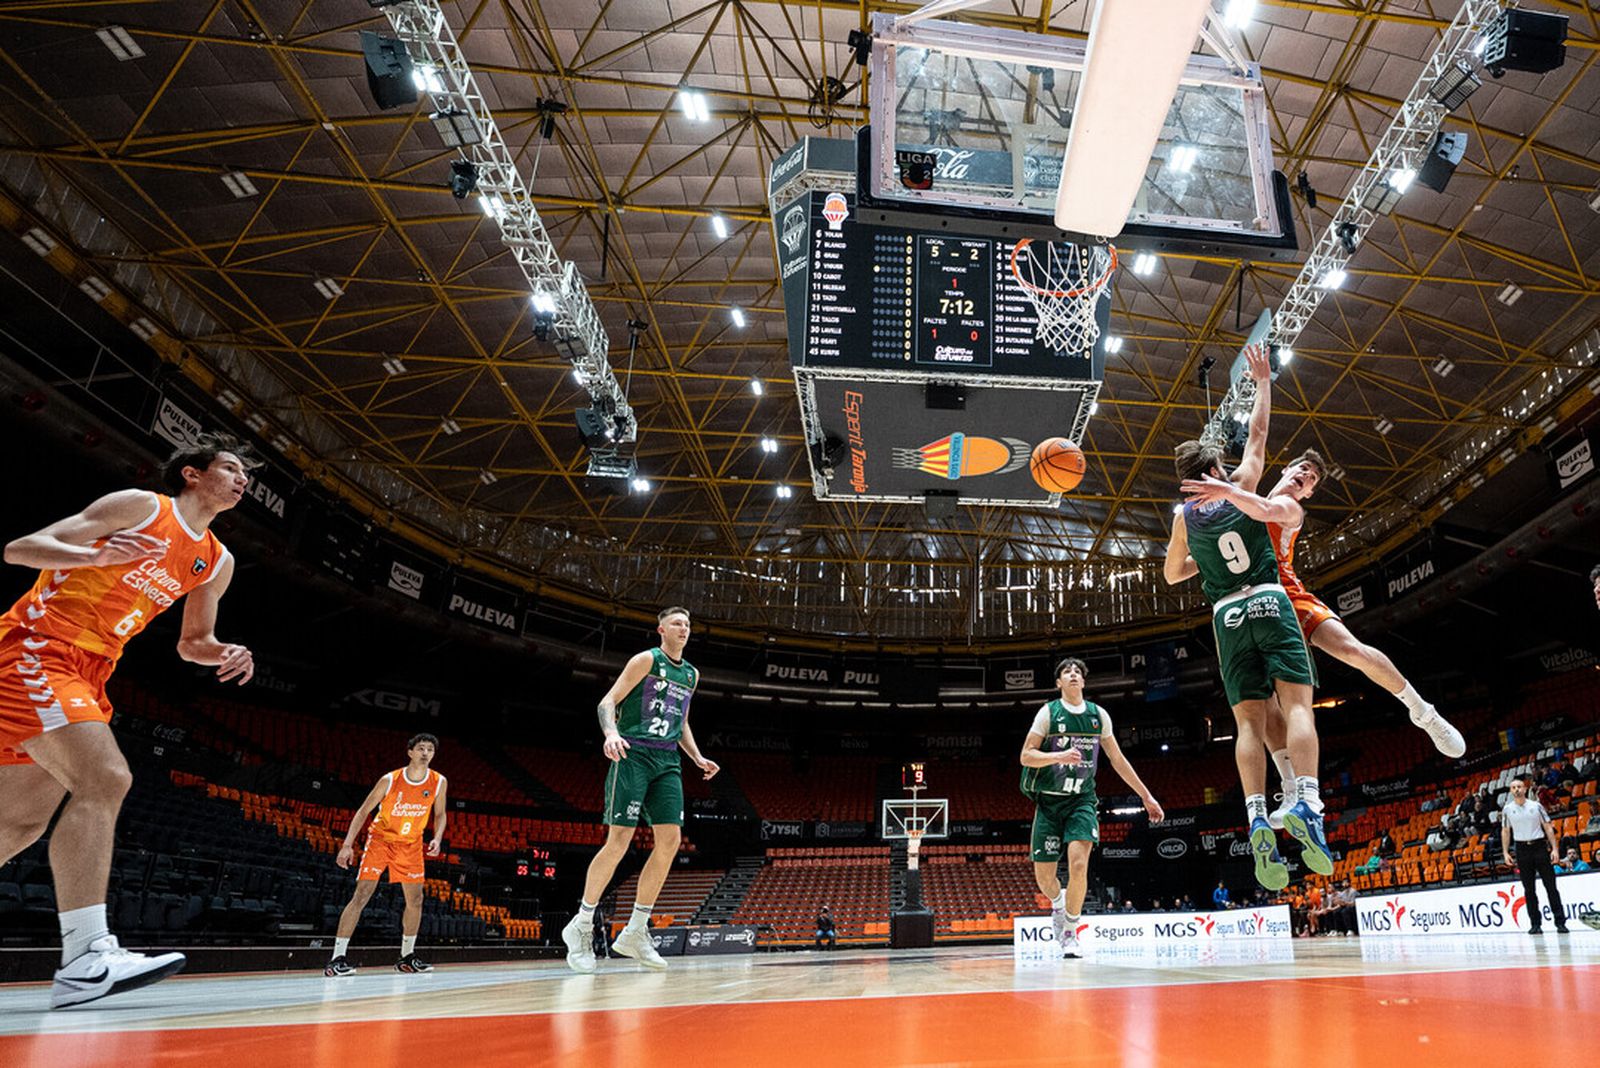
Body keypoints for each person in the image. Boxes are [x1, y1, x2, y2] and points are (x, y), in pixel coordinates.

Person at [0, 434, 254, 1008]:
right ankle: (87, 957)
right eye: (233, 468)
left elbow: (194, 643)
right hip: (39, 648)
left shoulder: (216, 560)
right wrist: (92, 556)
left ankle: (86, 960)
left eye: (247, 477)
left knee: (18, 825)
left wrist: (228, 652)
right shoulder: (142, 507)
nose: (243, 481)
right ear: (192, 474)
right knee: (106, 777)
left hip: (91, 672)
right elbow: (22, 548)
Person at [1163, 343, 1329, 891]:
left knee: (1249, 724)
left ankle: (1258, 813)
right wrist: (1263, 382)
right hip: (1267, 598)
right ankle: (1305, 800)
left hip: (1226, 614)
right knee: (1298, 703)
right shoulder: (1242, 484)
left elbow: (1172, 575)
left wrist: (1206, 561)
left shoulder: (1184, 517)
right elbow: (1256, 436)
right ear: (1213, 467)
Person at [562, 606, 719, 973]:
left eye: (688, 624)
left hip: (668, 761)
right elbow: (607, 702)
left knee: (670, 841)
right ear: (661, 629)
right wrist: (611, 733)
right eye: (677, 623)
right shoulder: (645, 660)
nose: (684, 628)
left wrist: (696, 757)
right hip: (632, 753)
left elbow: (681, 720)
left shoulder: (691, 674)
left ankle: (635, 931)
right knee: (619, 841)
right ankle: (582, 924)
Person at [1019, 657, 1163, 959]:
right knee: (1045, 880)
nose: (1073, 675)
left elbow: (1118, 761)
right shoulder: (1048, 713)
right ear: (1059, 683)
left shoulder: (1099, 716)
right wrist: (1056, 757)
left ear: (1083, 682)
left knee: (1079, 864)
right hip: (1048, 802)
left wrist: (1146, 796)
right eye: (1066, 672)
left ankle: (1071, 932)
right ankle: (1058, 905)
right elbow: (1026, 756)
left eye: (1077, 672)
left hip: (1081, 801)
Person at [324, 734, 448, 976]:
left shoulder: (439, 781)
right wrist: (347, 845)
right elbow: (362, 812)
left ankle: (407, 957)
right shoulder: (390, 780)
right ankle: (336, 958)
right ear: (410, 752)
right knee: (361, 896)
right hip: (381, 841)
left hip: (411, 845)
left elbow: (440, 814)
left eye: (430, 749)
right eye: (421, 748)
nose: (425, 753)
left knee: (416, 900)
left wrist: (438, 838)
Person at [1500, 777, 1568, 935]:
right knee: (1529, 890)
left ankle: (1560, 922)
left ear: (1525, 789)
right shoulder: (1507, 809)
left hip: (1539, 847)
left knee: (1551, 886)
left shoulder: (1536, 806)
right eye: (1514, 787)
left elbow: (1548, 827)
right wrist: (1505, 852)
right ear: (1511, 791)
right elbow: (1505, 831)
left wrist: (1555, 849)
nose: (1517, 789)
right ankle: (1535, 924)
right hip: (1521, 849)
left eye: (1519, 787)